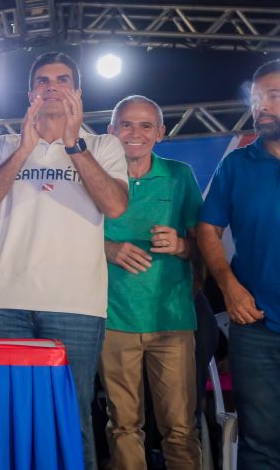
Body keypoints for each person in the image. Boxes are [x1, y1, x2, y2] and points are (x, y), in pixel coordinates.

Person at [0, 52, 128, 469]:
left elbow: (115, 206)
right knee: (11, 413)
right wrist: (25, 149)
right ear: (30, 95)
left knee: (70, 416)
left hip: (75, 305)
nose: (52, 87)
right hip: (8, 302)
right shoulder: (6, 145)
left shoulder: (103, 145)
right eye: (43, 81)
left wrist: (74, 145)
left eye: (62, 80)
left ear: (78, 92)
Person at [198, 59, 280, 470]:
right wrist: (229, 285)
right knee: (259, 446)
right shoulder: (236, 164)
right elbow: (207, 228)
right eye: (256, 98)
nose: (261, 106)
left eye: (274, 95)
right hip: (256, 324)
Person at [100, 95, 202, 469]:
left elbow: (206, 246)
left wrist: (181, 245)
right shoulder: (95, 176)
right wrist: (108, 248)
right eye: (126, 124)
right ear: (111, 131)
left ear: (160, 132)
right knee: (123, 426)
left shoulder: (180, 175)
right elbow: (66, 240)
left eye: (146, 125)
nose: (135, 133)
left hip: (172, 320)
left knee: (180, 428)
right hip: (113, 318)